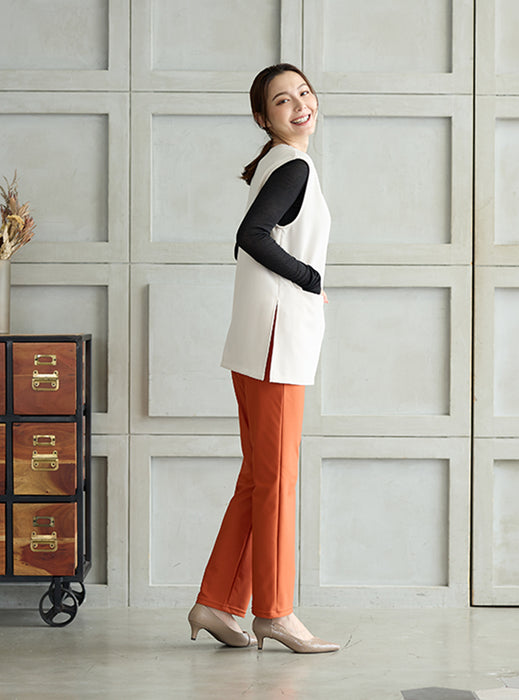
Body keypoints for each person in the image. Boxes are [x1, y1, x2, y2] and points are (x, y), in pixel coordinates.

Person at [188, 64, 339, 654]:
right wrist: (310, 278)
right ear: (264, 117)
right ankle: (275, 612)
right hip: (277, 344)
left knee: (257, 477)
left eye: (304, 92)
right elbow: (251, 235)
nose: (300, 104)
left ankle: (216, 602)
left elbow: (252, 239)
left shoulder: (277, 164)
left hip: (256, 341)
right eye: (283, 100)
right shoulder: (293, 164)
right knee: (277, 479)